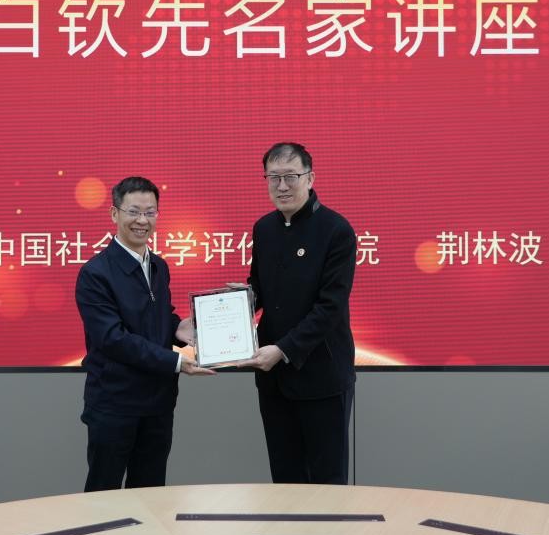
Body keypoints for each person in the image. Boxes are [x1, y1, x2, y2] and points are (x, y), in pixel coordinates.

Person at [75, 176, 213, 492]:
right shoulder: (95, 273)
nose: (142, 221)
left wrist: (177, 328)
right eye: (134, 211)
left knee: (151, 495)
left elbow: (154, 318)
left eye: (150, 212)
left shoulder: (159, 266)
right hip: (114, 403)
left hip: (158, 402)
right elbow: (113, 339)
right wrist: (175, 362)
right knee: (104, 495)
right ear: (114, 213)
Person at [237, 142, 357, 484]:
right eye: (273, 177)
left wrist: (284, 349)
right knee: (285, 478)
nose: (282, 186)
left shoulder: (336, 230)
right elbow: (260, 288)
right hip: (273, 378)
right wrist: (237, 303)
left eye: (291, 176)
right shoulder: (264, 228)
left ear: (310, 178)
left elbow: (330, 307)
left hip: (321, 375)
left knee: (326, 481)